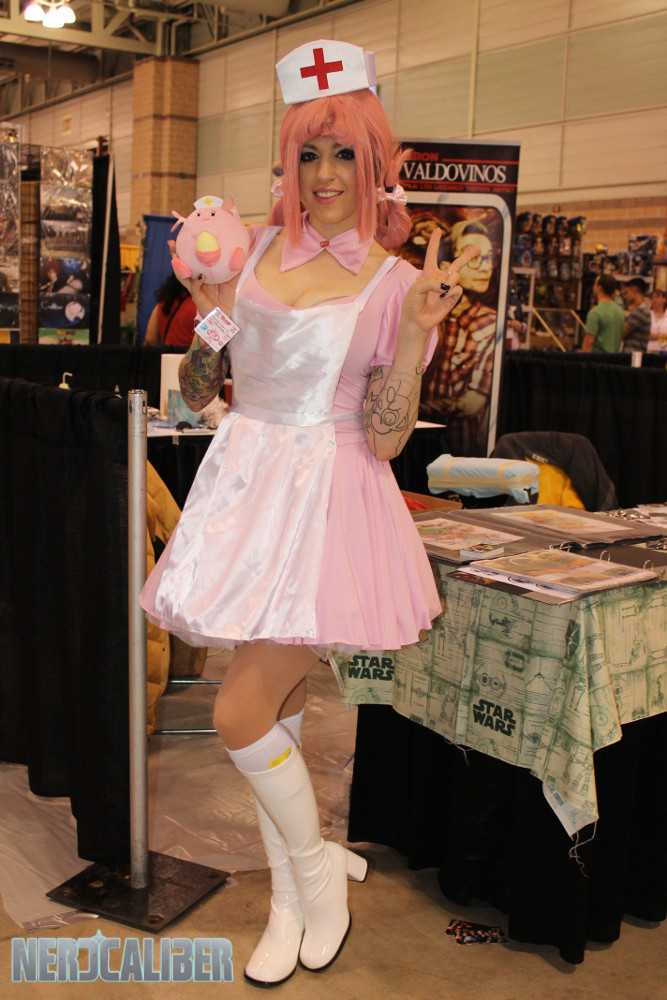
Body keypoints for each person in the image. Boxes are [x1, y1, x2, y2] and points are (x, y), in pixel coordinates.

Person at [140, 38, 479, 988]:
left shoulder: (395, 282)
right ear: (287, 161)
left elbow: (384, 438)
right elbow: (197, 396)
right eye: (309, 153)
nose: (326, 175)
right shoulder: (246, 254)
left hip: (326, 504)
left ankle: (320, 874)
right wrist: (209, 313)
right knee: (279, 712)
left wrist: (412, 339)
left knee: (240, 710)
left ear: (374, 165)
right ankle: (294, 894)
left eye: (345, 155)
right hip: (246, 492)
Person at [420, 218, 497, 454]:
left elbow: (472, 404)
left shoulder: (487, 324)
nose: (485, 267)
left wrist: (417, 408)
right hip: (410, 446)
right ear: (447, 265)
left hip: (458, 450)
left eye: (488, 258)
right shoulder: (426, 313)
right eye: (473, 258)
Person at [143, 271, 198, 346]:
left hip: (166, 352)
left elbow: (150, 340)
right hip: (191, 353)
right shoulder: (200, 307)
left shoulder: (162, 305)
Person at [581, 274, 625, 353]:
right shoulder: (620, 312)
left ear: (599, 288)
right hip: (614, 357)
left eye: (595, 284)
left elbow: (589, 341)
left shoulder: (595, 313)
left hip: (598, 357)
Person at [621, 277, 650, 353]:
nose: (625, 296)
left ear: (633, 290)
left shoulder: (639, 312)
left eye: (626, 292)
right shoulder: (645, 310)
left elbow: (622, 333)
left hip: (633, 355)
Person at [648, 287, 667, 353]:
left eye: (657, 297)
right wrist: (661, 335)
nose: (654, 299)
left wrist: (655, 336)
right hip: (650, 350)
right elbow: (643, 334)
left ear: (664, 299)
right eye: (652, 298)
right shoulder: (647, 315)